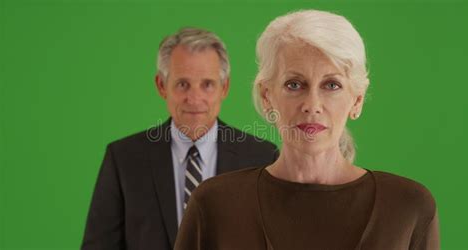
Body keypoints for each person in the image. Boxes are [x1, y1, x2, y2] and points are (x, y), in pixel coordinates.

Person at [175, 10, 440, 250]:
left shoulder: (409, 208)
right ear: (267, 96)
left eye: (331, 85)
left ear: (357, 100)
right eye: (294, 84)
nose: (312, 105)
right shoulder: (214, 205)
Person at [81, 27, 279, 249]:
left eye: (207, 84)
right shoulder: (124, 160)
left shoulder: (262, 157)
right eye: (183, 84)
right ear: (161, 85)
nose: (195, 98)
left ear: (224, 88)